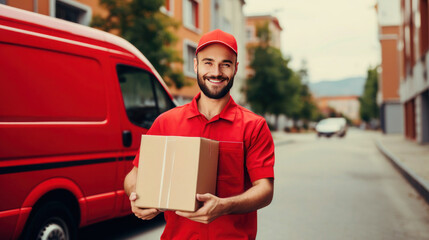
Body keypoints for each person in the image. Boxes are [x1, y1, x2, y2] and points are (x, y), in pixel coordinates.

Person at [124, 29, 275, 240]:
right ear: (195, 65)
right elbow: (134, 175)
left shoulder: (254, 126)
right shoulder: (166, 122)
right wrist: (136, 197)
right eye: (208, 62)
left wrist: (224, 206)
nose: (216, 72)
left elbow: (265, 190)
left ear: (236, 68)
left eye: (226, 64)